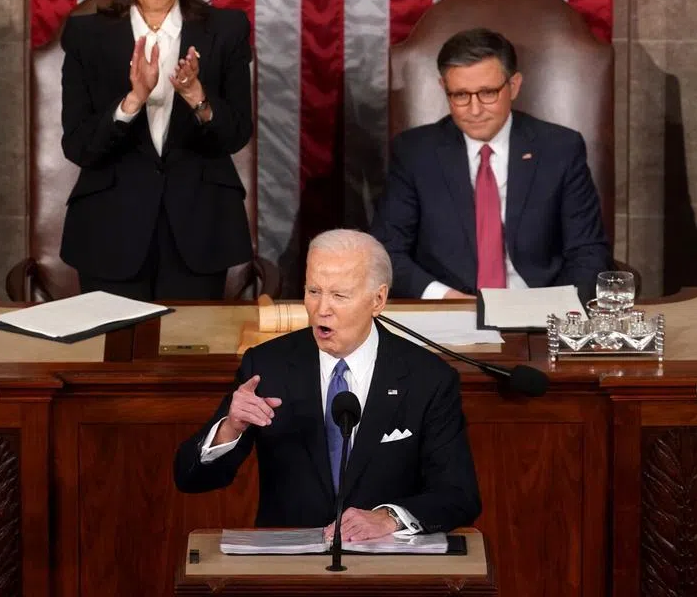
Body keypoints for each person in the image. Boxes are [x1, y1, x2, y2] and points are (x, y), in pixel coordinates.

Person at [174, 229, 481, 540]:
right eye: (313, 291)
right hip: (289, 568)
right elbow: (190, 479)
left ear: (378, 299)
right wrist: (230, 427)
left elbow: (459, 495)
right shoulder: (267, 366)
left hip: (385, 564)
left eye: (339, 295)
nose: (322, 309)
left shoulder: (427, 378)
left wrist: (389, 518)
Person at [59, 0, 253, 300]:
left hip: (200, 228)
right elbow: (78, 145)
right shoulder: (86, 36)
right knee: (114, 360)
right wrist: (132, 100)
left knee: (190, 355)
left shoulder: (226, 30)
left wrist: (196, 96)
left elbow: (235, 135)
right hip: (109, 230)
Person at [371, 27, 611, 302]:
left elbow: (588, 251)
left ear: (514, 85)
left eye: (487, 93)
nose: (474, 110)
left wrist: (554, 307)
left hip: (538, 309)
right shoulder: (414, 152)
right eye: (460, 95)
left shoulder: (560, 149)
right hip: (448, 309)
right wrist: (445, 298)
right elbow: (387, 251)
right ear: (444, 89)